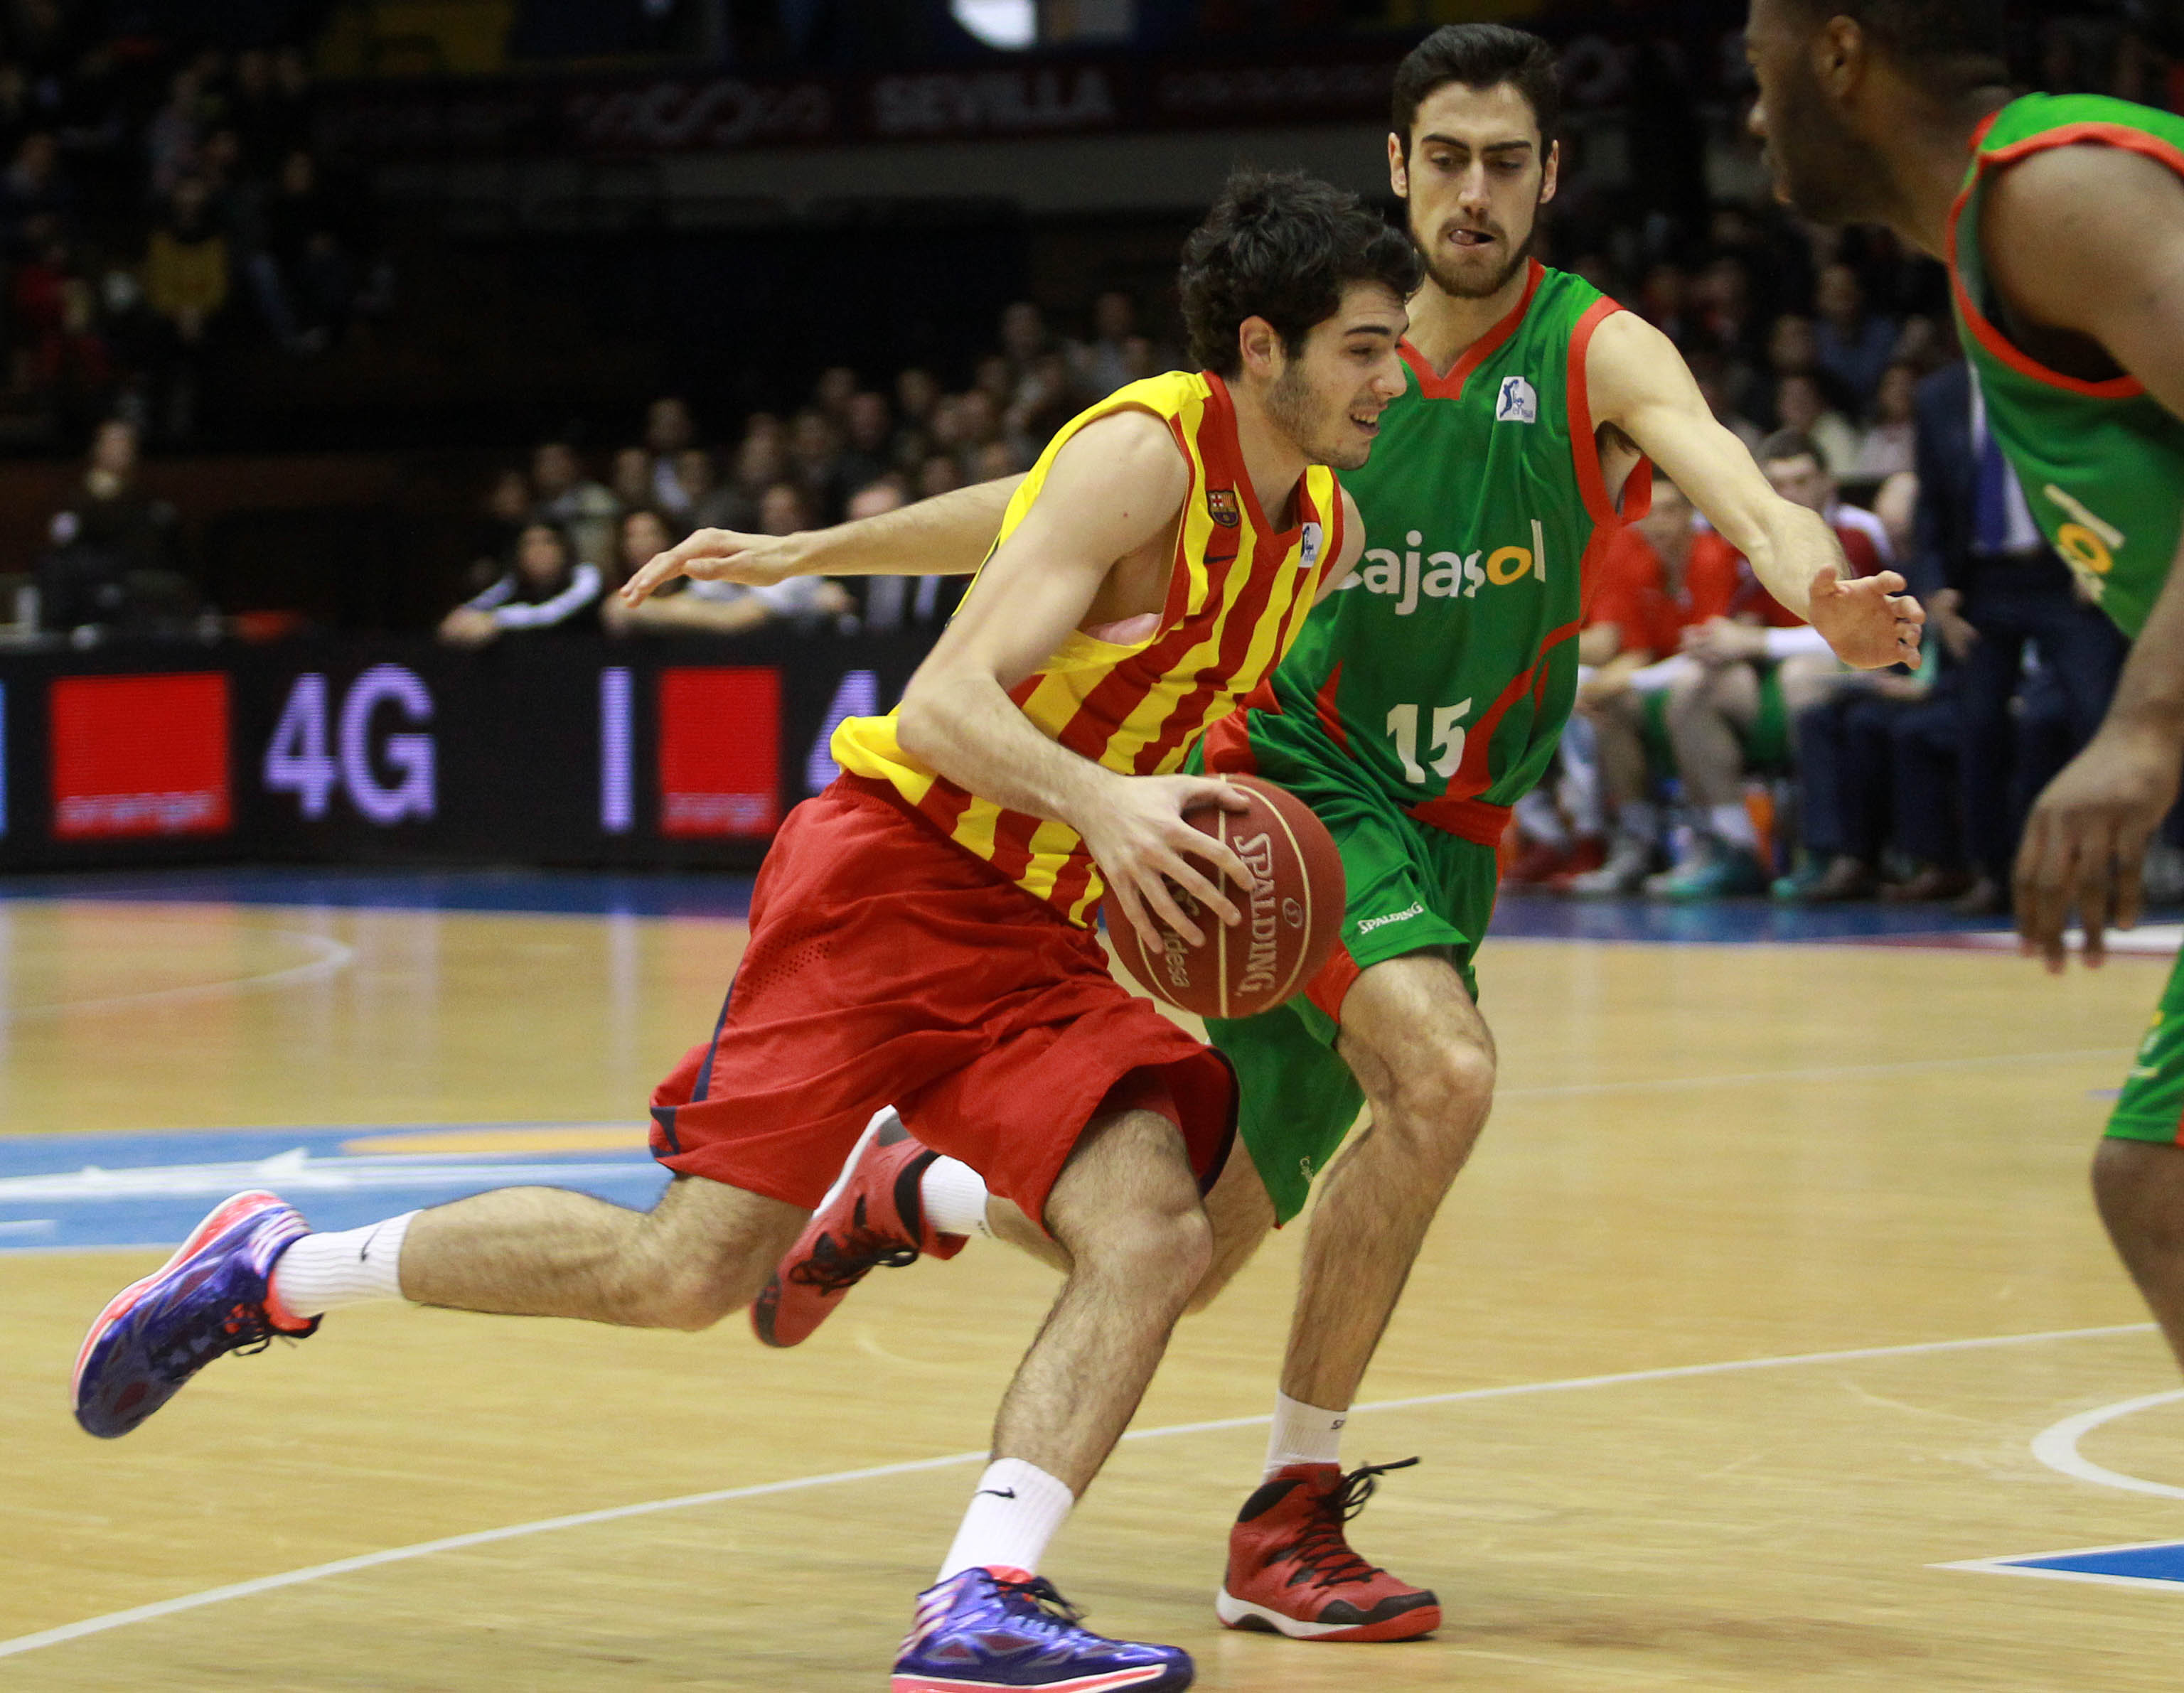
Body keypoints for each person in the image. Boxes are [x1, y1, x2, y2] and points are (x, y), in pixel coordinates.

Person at [643, 23, 1920, 1646]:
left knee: (1189, 1243)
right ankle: (1287, 1514)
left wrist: (1813, 584)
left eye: (1503, 162)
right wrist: (812, 548)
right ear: (1396, 167)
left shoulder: (1590, 354)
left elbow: (1736, 486)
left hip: (1445, 836)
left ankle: (919, 1190)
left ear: (1551, 176)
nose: (1471, 192)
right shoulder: (1332, 357)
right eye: (1442, 159)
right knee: (1443, 1076)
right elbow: (1052, 505)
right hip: (1289, 793)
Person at [73, 167, 1415, 1692]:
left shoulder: (1320, 528)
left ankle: (981, 1595)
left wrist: (809, 549)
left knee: (1153, 1229)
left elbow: (1022, 513)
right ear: (1262, 347)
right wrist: (1108, 804)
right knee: (684, 1276)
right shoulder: (1143, 451)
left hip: (1037, 924)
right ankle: (278, 1266)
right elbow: (946, 705)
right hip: (889, 881)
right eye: (1365, 348)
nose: (1394, 378)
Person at [1743, 0, 2184, 1392]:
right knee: (2157, 1181)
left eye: (1757, 63)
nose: (1749, 111)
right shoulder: (2001, 242)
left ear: (1837, 55)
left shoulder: (2050, 191)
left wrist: (2146, 727)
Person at [437, 519, 601, 645]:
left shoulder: (587, 575)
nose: (539, 551)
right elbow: (481, 604)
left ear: (564, 548)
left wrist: (495, 620)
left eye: (547, 542)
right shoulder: (513, 581)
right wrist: (461, 617)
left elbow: (550, 614)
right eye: (529, 544)